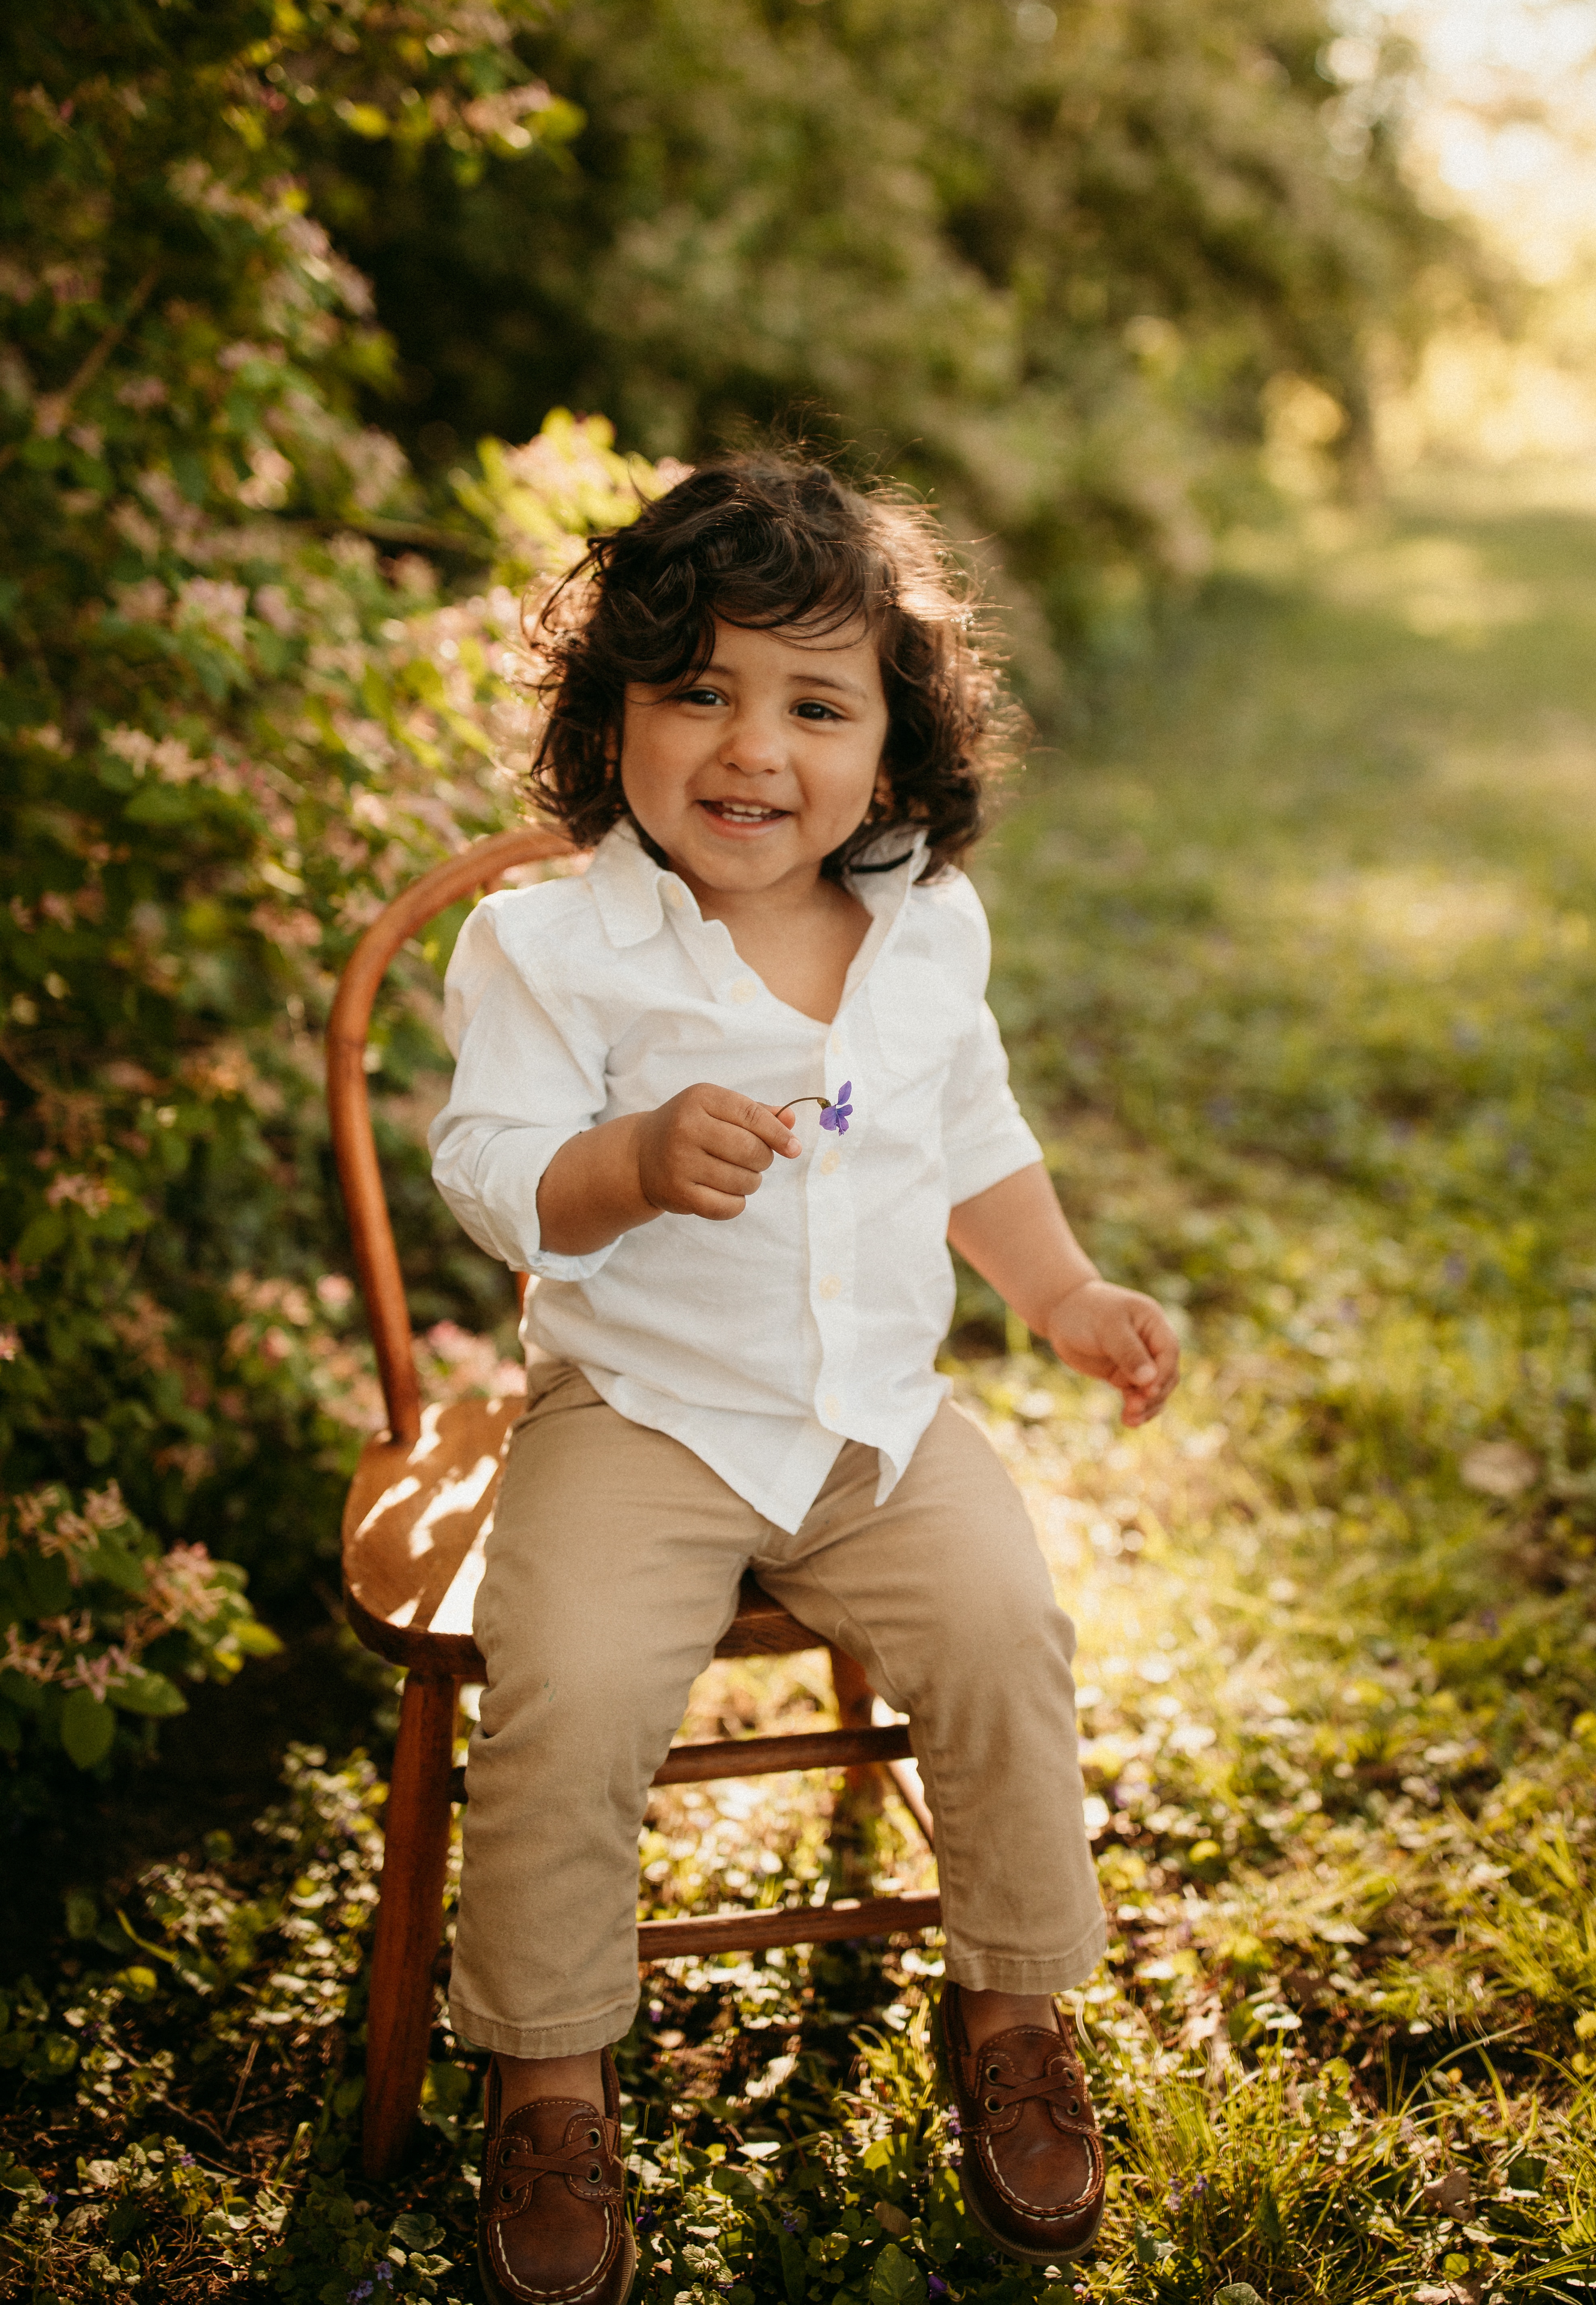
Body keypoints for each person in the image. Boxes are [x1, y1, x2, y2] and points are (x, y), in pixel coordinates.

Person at [428, 454, 1179, 2305]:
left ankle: (1008, 2009)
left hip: (871, 1420)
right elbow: (488, 1168)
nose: (748, 744)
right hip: (645, 1415)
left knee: (1008, 1629)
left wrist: (1065, 1288)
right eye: (697, 689)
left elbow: (975, 1137)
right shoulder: (551, 941)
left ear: (891, 755)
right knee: (573, 1689)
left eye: (813, 703)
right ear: (612, 722)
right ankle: (551, 2077)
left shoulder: (926, 929)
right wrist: (621, 1162)